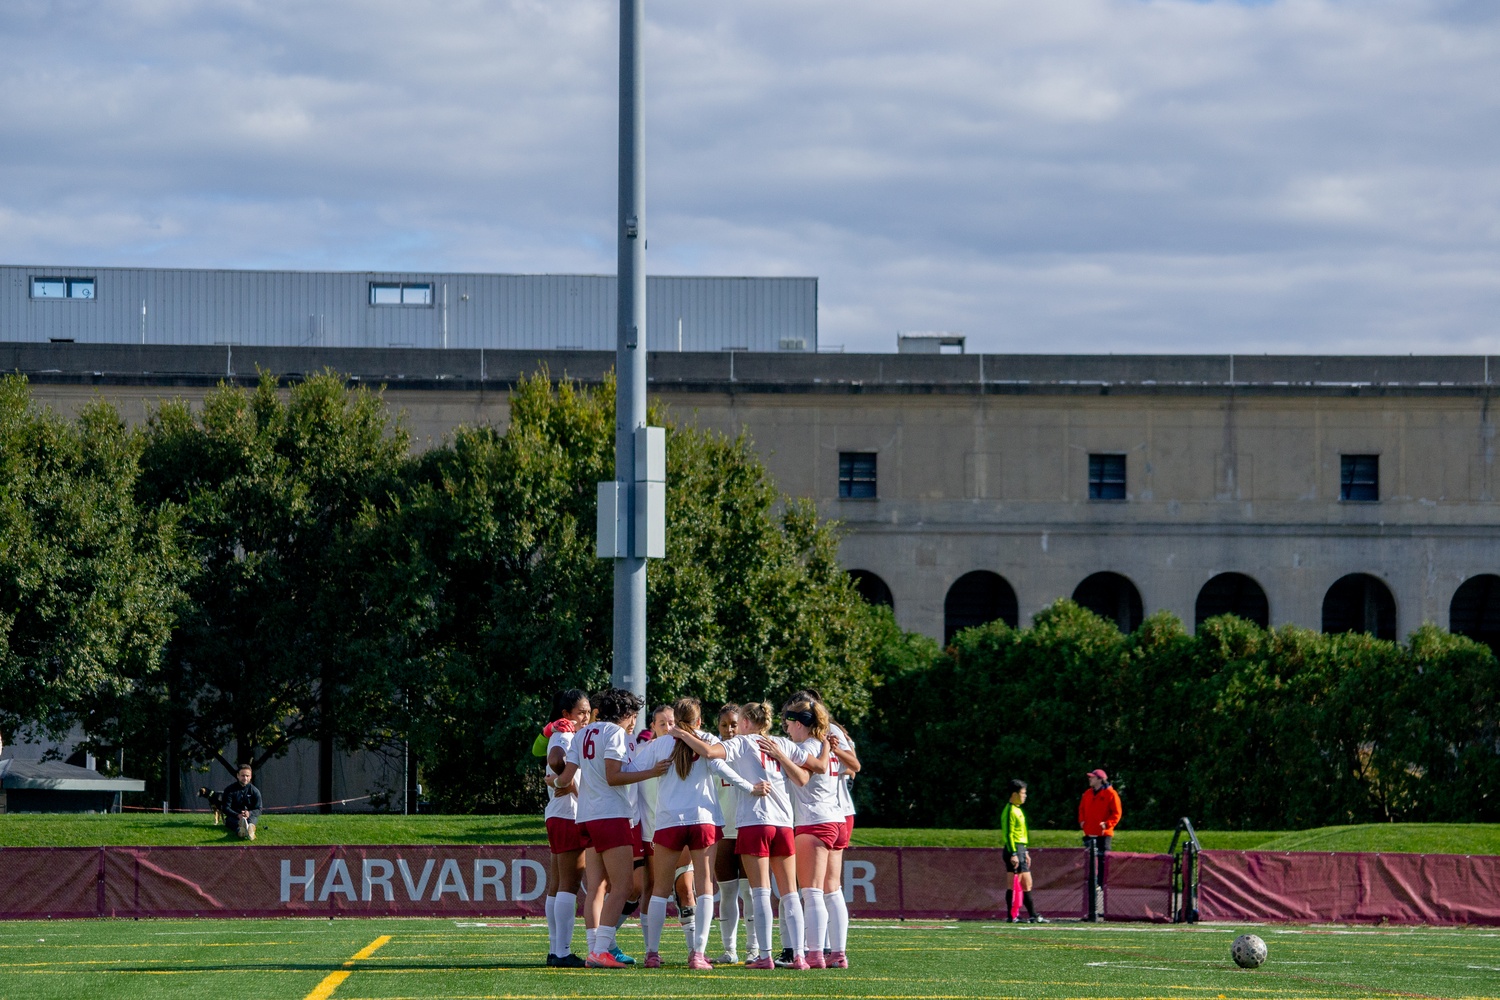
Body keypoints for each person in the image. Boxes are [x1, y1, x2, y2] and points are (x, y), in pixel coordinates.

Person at [673, 700, 811, 970]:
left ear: (745, 722)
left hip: (755, 823)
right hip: (783, 822)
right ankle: (800, 957)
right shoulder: (782, 743)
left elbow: (709, 752)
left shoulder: (741, 742)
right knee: (789, 893)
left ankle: (765, 956)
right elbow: (806, 775)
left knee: (759, 892)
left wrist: (682, 733)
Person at [628, 697, 765, 969]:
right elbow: (723, 767)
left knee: (659, 889)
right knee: (704, 888)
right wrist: (751, 788)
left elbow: (631, 767)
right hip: (702, 819)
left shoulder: (661, 743)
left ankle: (652, 953)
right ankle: (698, 955)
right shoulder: (706, 740)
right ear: (699, 720)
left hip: (668, 821)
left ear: (675, 719)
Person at [558, 688, 669, 968]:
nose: (634, 720)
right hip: (611, 815)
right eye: (633, 714)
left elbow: (564, 779)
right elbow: (614, 776)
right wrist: (652, 772)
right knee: (623, 885)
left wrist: (555, 783)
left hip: (586, 817)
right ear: (625, 713)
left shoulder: (582, 733)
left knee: (596, 887)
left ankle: (596, 948)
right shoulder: (616, 734)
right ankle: (600, 950)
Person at [780, 697, 837, 968]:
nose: (787, 730)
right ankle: (832, 952)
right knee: (825, 891)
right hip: (830, 819)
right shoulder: (820, 745)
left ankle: (814, 954)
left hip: (813, 821)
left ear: (800, 724)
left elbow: (806, 774)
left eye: (789, 724)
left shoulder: (804, 748)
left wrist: (779, 754)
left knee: (811, 891)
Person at [542, 689, 591, 968]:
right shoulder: (564, 734)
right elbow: (556, 759)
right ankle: (561, 952)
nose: (585, 717)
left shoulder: (563, 732)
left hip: (558, 815)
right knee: (569, 885)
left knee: (558, 884)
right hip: (568, 815)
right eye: (580, 712)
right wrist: (568, 783)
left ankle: (555, 949)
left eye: (587, 711)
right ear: (565, 715)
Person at [1079, 768, 1122, 922]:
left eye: (1093, 777)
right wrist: (1082, 821)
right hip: (1089, 833)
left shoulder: (1111, 794)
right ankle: (1090, 903)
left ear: (1100, 779)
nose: (1090, 779)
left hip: (1103, 836)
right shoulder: (1088, 793)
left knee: (1103, 865)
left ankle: (1103, 897)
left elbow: (1116, 813)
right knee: (1089, 866)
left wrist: (1107, 824)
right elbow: (1082, 809)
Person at [1000, 778, 1046, 923]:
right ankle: (1012, 915)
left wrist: (1025, 851)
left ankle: (1033, 915)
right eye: (1023, 793)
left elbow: (1021, 834)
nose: (1025, 796)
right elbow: (1009, 834)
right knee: (1013, 884)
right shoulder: (1009, 810)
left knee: (1027, 883)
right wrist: (1013, 853)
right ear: (1014, 794)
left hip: (1020, 848)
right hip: (1013, 849)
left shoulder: (1018, 810)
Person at [222, 764, 261, 840]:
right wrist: (238, 815)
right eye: (243, 776)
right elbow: (225, 808)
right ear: (238, 776)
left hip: (250, 817)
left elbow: (259, 809)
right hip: (234, 817)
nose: (245, 778)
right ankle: (241, 831)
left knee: (252, 820)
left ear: (251, 776)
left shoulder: (255, 791)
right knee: (233, 822)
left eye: (247, 776)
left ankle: (251, 830)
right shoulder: (229, 790)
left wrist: (249, 813)